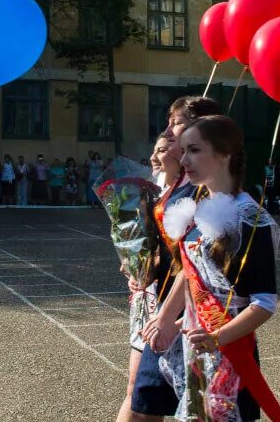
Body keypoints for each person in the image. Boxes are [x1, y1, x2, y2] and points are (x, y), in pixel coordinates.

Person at [157, 115, 280, 421]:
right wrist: (172, 323)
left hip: (231, 352)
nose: (183, 158)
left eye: (194, 150)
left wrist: (217, 337)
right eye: (183, 150)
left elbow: (265, 303)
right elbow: (191, 277)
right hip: (197, 348)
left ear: (224, 153)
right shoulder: (198, 208)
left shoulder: (250, 219)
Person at [131, 96, 221, 422]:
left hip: (196, 317)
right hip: (168, 309)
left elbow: (196, 261)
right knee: (143, 403)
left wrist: (168, 316)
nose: (169, 129)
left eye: (176, 122)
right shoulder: (180, 181)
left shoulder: (208, 188)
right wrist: (144, 268)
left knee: (203, 412)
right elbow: (171, 251)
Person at [117, 137, 170, 422]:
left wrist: (153, 265)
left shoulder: (194, 193)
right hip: (148, 298)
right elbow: (131, 238)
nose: (153, 157)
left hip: (180, 304)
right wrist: (131, 265)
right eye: (153, 150)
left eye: (162, 150)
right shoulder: (149, 192)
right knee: (138, 392)